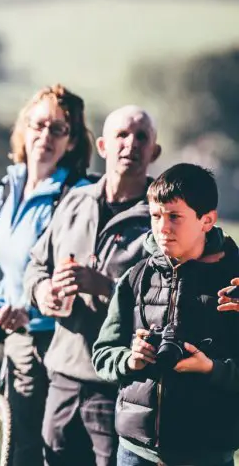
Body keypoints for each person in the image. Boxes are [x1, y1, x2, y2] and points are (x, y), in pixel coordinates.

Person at [24, 105, 162, 466]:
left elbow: (166, 300)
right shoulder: (74, 201)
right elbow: (36, 265)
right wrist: (43, 292)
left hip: (119, 385)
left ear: (154, 152)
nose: (130, 144)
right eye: (121, 135)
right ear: (102, 145)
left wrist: (106, 286)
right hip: (63, 377)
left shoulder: (161, 222)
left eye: (141, 137)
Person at [92, 163, 239, 466]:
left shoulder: (234, 283)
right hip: (135, 451)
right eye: (156, 216)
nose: (162, 227)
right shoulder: (134, 277)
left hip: (206, 452)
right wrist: (129, 359)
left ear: (207, 220)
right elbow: (103, 354)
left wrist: (210, 367)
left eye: (175, 217)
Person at [0, 84, 94, 466]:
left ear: (73, 141)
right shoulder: (12, 187)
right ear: (23, 129)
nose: (45, 136)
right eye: (38, 124)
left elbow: (71, 274)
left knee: (41, 453)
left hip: (53, 342)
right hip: (16, 338)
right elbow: (11, 271)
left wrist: (26, 309)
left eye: (58, 129)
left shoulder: (76, 195)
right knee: (16, 451)